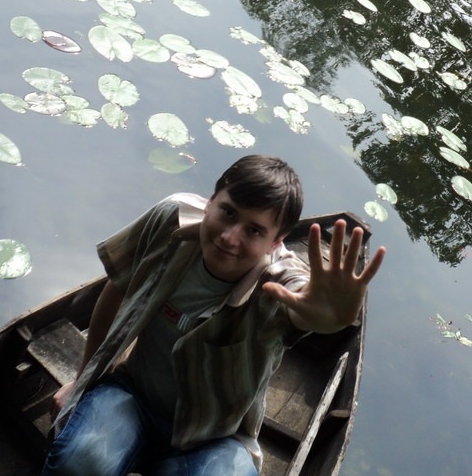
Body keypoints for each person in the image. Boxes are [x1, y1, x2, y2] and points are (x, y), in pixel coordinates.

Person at [41, 155, 385, 476]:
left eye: (254, 230)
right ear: (210, 201)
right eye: (228, 213)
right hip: (132, 395)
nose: (230, 238)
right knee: (79, 462)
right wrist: (82, 382)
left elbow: (304, 304)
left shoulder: (277, 285)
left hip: (213, 438)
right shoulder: (170, 220)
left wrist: (330, 319)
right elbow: (117, 287)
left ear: (276, 242)